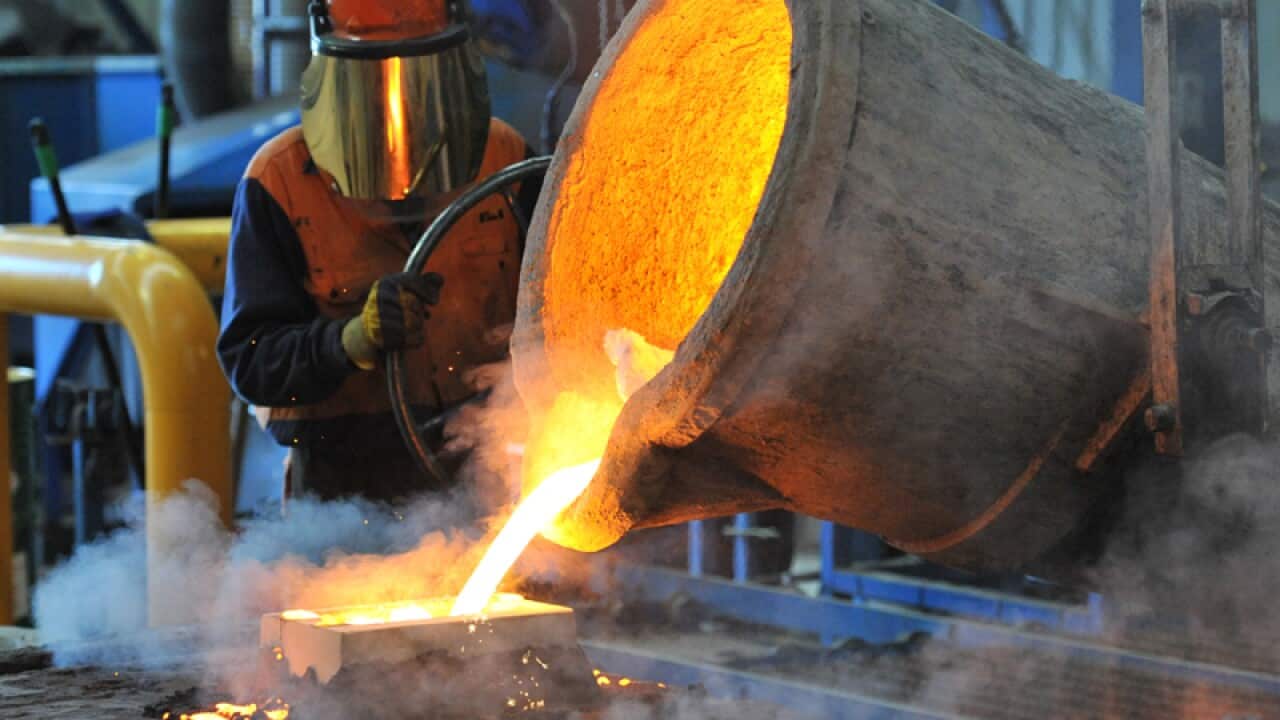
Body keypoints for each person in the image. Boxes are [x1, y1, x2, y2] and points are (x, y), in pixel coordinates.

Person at [217, 0, 541, 502]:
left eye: (421, 80)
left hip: (484, 462)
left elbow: (564, 314)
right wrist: (349, 341)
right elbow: (252, 363)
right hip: (343, 485)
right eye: (372, 86)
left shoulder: (505, 160)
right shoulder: (279, 181)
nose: (397, 107)